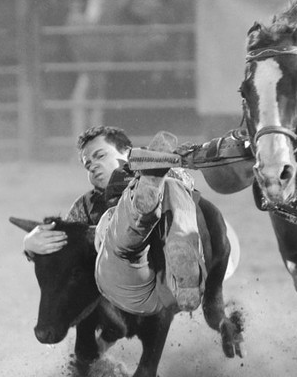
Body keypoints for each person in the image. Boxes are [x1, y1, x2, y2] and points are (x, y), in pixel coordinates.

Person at [22, 126, 205, 313]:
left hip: (170, 287)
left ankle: (184, 269)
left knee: (173, 186)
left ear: (127, 152)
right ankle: (137, 201)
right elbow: (66, 247)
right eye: (88, 165)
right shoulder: (86, 206)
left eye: (100, 156)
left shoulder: (172, 178)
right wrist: (30, 246)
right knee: (144, 206)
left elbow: (189, 191)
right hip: (128, 288)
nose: (93, 166)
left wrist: (171, 164)